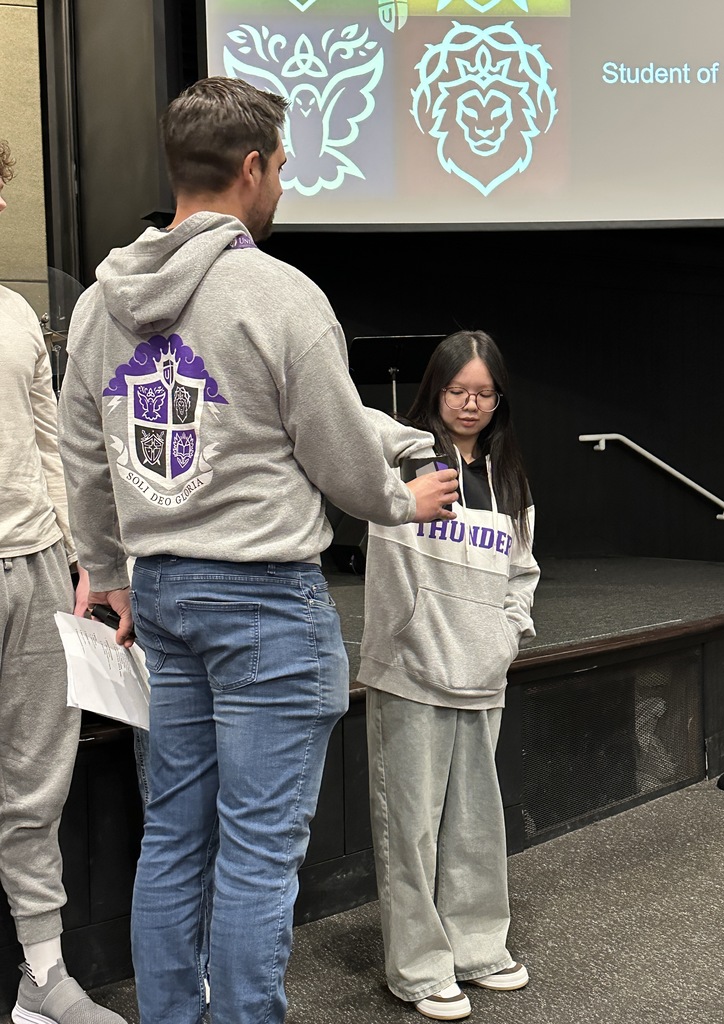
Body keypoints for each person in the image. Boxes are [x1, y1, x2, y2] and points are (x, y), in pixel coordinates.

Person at [56, 77, 458, 1024]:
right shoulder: (280, 296)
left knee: (176, 844)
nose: (283, 182)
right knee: (257, 856)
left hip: (160, 599)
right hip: (267, 611)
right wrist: (401, 498)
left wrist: (107, 571)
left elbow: (85, 454)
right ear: (250, 169)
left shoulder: (98, 306)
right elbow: (339, 462)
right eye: (281, 166)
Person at [359, 330, 540, 1021]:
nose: (471, 404)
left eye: (485, 393)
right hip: (409, 667)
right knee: (408, 828)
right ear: (435, 390)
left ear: (501, 400)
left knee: (474, 826)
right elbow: (346, 418)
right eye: (458, 390)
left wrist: (509, 632)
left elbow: (523, 570)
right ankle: (419, 970)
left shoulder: (510, 476)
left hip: (480, 669)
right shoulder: (403, 460)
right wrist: (409, 441)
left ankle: (478, 949)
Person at [0, 140, 126, 1024]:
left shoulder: (14, 316)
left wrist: (84, 556)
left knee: (37, 780)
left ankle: (42, 978)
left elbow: (51, 448)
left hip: (36, 564)